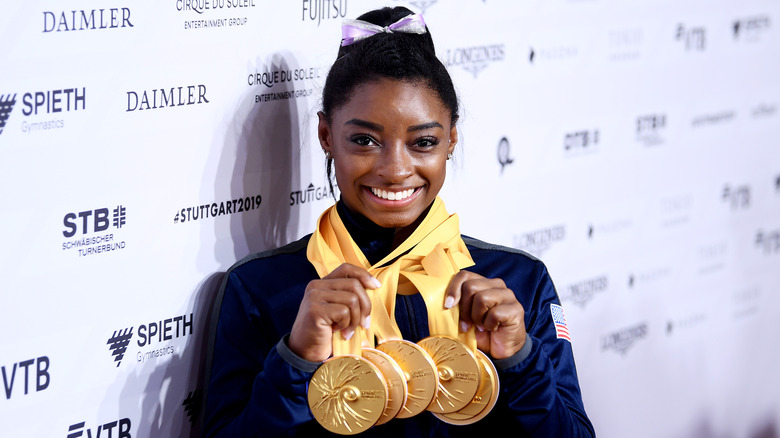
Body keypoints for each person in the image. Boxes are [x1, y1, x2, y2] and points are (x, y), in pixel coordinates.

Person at [203, 6, 594, 437]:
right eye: (365, 140)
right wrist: (296, 361)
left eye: (422, 141)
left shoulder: (518, 281)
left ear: (451, 139)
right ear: (327, 136)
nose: (395, 169)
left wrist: (518, 359)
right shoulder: (259, 287)